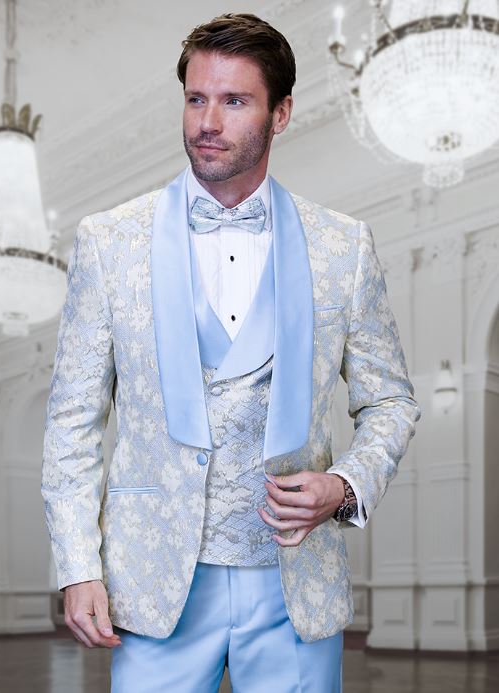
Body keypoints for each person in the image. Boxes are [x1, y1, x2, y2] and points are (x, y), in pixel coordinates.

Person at [41, 12, 420, 693]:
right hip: (158, 586)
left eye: (235, 100)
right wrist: (77, 563)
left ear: (281, 114)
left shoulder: (345, 246)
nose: (206, 121)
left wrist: (343, 486)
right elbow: (72, 422)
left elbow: (390, 400)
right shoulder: (108, 241)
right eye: (195, 98)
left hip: (294, 586)